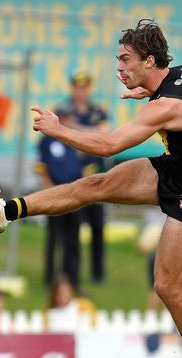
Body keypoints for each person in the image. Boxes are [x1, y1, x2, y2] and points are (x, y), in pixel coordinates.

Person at [0, 19, 182, 358]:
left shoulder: (166, 106)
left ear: (150, 61)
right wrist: (150, 90)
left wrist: (59, 130)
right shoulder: (180, 74)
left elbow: (108, 146)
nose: (118, 67)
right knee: (96, 183)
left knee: (167, 286)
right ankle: (5, 211)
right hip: (180, 166)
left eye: (125, 60)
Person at [55, 71, 109, 284]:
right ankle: (70, 273)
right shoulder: (62, 110)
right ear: (72, 88)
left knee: (97, 226)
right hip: (71, 176)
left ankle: (98, 273)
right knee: (71, 229)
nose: (81, 91)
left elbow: (105, 134)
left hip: (96, 178)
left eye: (85, 87)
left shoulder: (98, 112)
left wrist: (74, 127)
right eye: (78, 87)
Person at [35, 111, 88, 290]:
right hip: (55, 197)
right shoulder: (47, 141)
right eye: (66, 118)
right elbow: (41, 169)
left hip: (76, 197)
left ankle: (73, 280)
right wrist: (52, 192)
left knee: (73, 240)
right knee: (53, 239)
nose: (70, 121)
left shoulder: (78, 140)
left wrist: (81, 192)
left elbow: (89, 169)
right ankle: (50, 279)